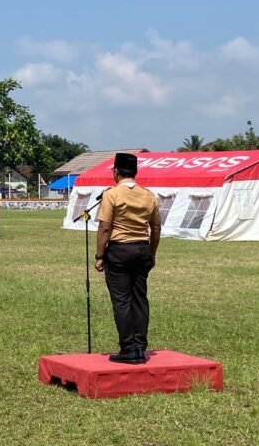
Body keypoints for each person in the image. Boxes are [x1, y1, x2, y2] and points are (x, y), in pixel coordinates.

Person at [95, 152, 161, 365]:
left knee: (122, 300)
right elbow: (156, 227)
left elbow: (105, 227)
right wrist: (152, 253)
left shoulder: (112, 195)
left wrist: (99, 255)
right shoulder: (149, 195)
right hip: (142, 248)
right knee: (140, 299)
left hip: (120, 249)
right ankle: (141, 346)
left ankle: (128, 348)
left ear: (115, 172)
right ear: (135, 172)